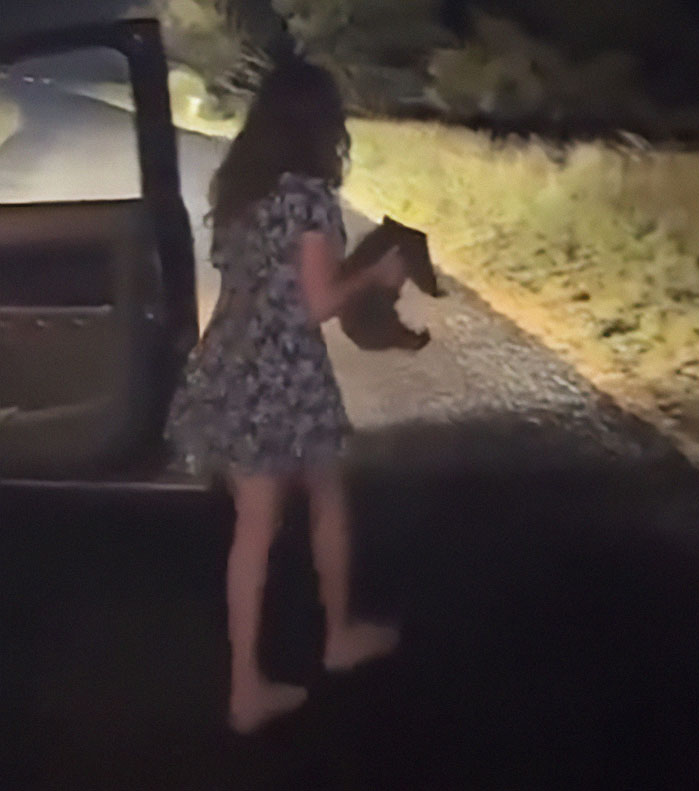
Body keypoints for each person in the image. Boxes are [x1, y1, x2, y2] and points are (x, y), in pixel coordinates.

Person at [164, 56, 405, 735]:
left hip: (230, 356)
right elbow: (317, 303)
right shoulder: (308, 199)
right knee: (301, 503)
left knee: (282, 509)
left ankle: (298, 654)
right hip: (285, 369)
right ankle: (281, 668)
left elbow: (251, 284)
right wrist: (376, 275)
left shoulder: (241, 191)